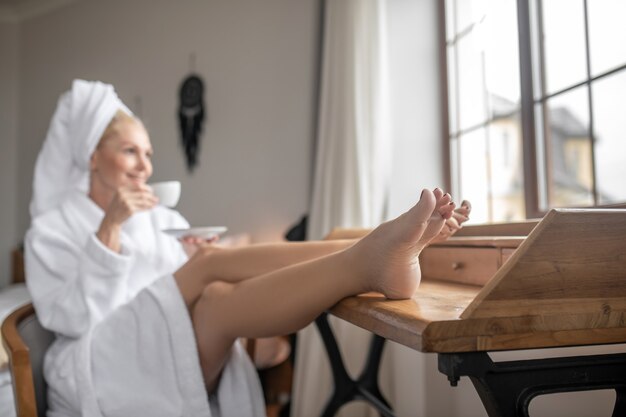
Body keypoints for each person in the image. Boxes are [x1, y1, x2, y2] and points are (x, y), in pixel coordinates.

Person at [25, 80, 466, 417]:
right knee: (212, 270)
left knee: (215, 294)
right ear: (91, 156)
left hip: (170, 338)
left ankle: (373, 253)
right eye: (130, 152)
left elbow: (177, 284)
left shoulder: (154, 215)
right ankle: (368, 251)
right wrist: (110, 229)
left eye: (148, 153)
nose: (145, 166)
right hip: (105, 355)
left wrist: (191, 254)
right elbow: (72, 319)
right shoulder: (50, 230)